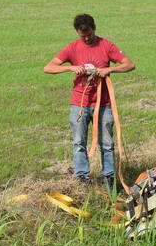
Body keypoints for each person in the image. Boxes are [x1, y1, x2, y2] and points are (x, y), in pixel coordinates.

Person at [43, 14, 135, 189]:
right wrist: (70, 67)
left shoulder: (106, 45)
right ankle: (82, 179)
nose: (86, 38)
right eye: (82, 36)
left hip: (103, 104)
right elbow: (48, 67)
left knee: (107, 143)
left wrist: (109, 69)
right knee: (79, 142)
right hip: (79, 104)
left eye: (89, 35)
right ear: (77, 33)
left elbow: (129, 64)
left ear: (94, 28)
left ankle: (109, 178)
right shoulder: (72, 48)